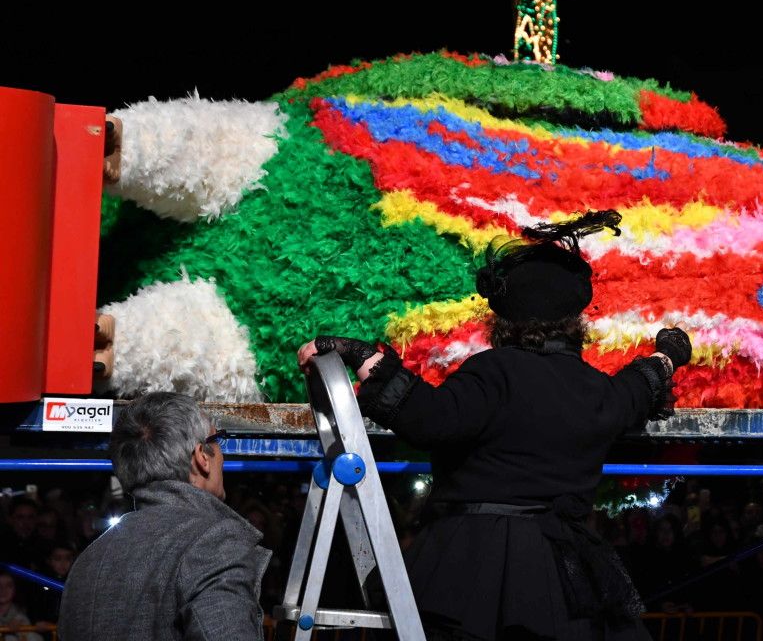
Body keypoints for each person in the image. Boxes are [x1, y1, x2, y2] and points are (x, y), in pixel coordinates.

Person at [299, 210, 690, 641]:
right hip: (563, 579)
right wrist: (668, 354)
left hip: (469, 570)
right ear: (574, 323)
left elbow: (429, 418)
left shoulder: (495, 372)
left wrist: (363, 357)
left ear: (506, 322)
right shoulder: (598, 390)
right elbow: (641, 384)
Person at [58, 392, 271, 641]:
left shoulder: (89, 559)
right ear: (202, 457)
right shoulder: (213, 542)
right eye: (217, 441)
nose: (222, 456)